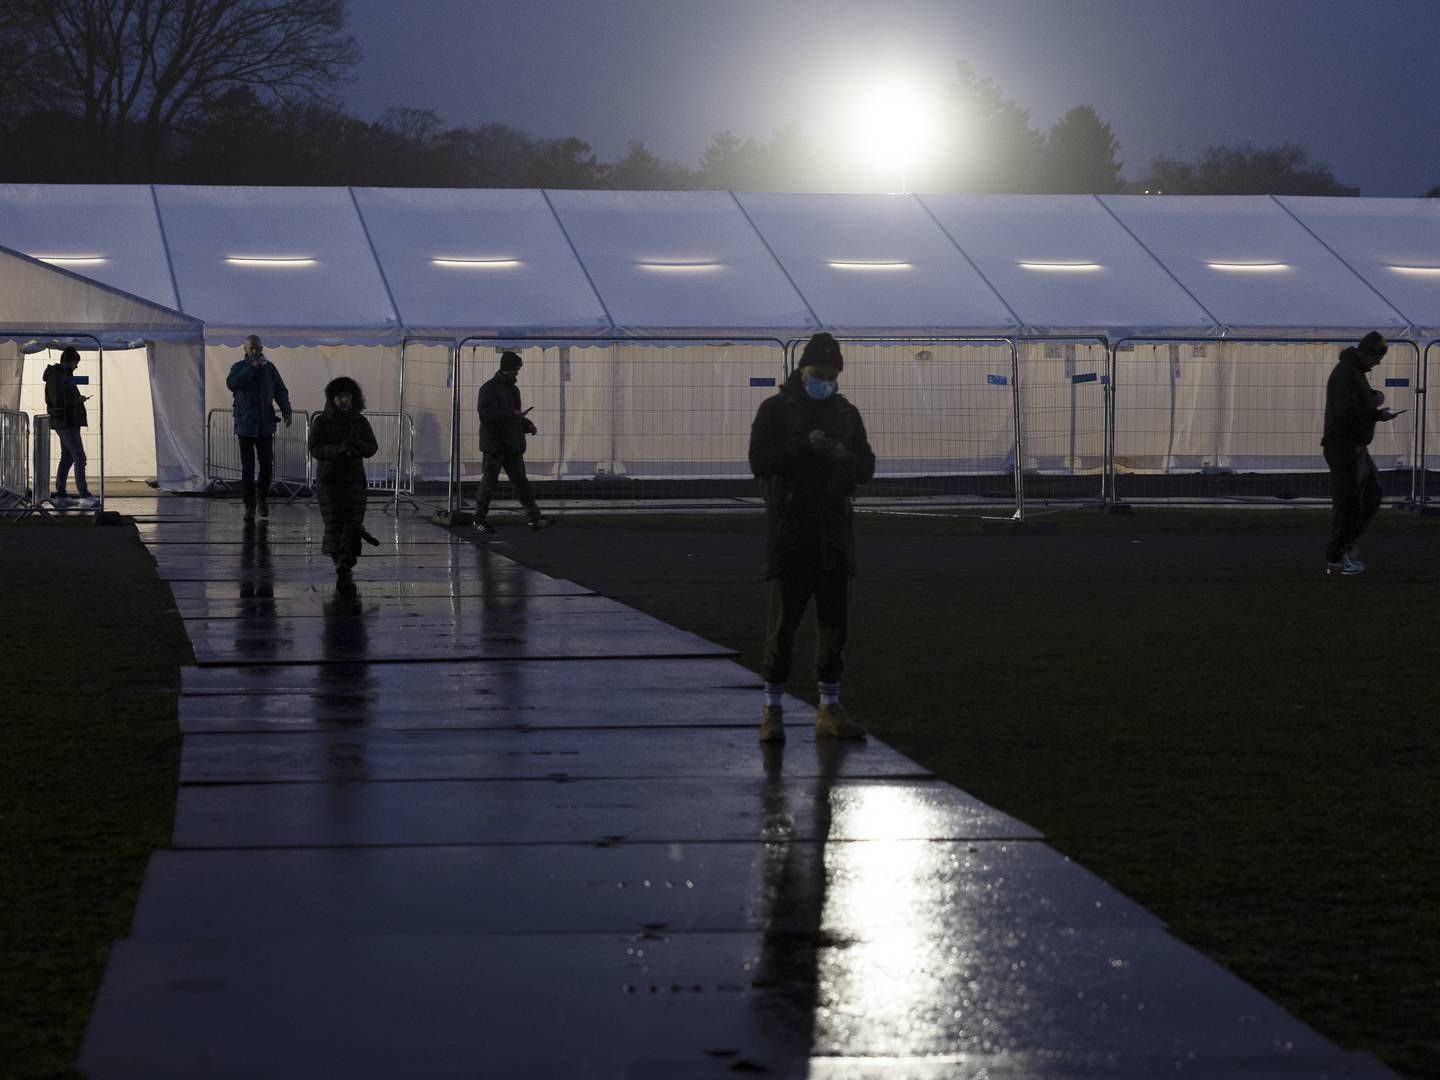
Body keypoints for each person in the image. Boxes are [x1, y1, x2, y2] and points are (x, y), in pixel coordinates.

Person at [748, 332, 876, 743]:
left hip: (834, 534)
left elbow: (867, 466)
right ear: (802, 371)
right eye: (819, 374)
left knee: (835, 628)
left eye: (831, 375)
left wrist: (844, 457)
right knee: (782, 628)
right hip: (791, 532)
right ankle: (772, 710)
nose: (825, 382)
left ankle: (829, 708)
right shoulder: (775, 410)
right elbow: (759, 460)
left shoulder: (846, 413)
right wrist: (802, 445)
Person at [1322, 330, 1404, 576]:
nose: (1378, 363)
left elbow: (1352, 404)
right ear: (1368, 354)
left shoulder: (1352, 371)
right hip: (1344, 446)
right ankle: (1337, 558)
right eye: (1378, 358)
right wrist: (1377, 413)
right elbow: (1346, 412)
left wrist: (1371, 398)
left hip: (1352, 446)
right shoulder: (1348, 373)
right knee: (1350, 502)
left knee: (1370, 495)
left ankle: (1345, 547)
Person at [473, 350, 550, 535]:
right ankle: (479, 518)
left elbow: (511, 414)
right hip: (497, 444)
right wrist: (515, 417)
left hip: (509, 443)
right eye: (515, 370)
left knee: (519, 482)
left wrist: (526, 424)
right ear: (507, 369)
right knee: (491, 482)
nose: (517, 374)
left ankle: (533, 517)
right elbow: (485, 415)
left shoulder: (506, 389)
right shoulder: (491, 389)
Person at [309, 376, 379, 580]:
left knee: (352, 521)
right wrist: (337, 450)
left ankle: (346, 560)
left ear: (353, 398)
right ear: (332, 399)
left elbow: (372, 446)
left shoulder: (360, 421)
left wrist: (355, 446)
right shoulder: (321, 421)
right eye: (339, 397)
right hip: (330, 480)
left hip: (354, 480)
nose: (343, 401)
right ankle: (339, 559)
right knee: (334, 522)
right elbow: (315, 448)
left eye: (347, 396)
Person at [225, 334, 292, 523]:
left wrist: (286, 410)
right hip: (245, 425)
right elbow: (232, 384)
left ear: (262, 349)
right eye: (251, 348)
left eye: (258, 348)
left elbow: (280, 390)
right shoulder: (238, 367)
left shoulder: (269, 369)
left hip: (265, 425)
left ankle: (262, 498)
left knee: (266, 465)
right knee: (248, 467)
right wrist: (250, 369)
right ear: (245, 349)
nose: (255, 351)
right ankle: (249, 505)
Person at [43, 346, 94, 503]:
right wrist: (77, 401)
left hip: (66, 421)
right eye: (75, 363)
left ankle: (61, 492)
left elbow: (64, 395)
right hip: (66, 422)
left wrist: (77, 398)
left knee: (67, 457)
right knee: (79, 456)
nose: (76, 366)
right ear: (69, 361)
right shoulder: (58, 376)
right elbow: (59, 400)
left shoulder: (61, 375)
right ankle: (84, 494)